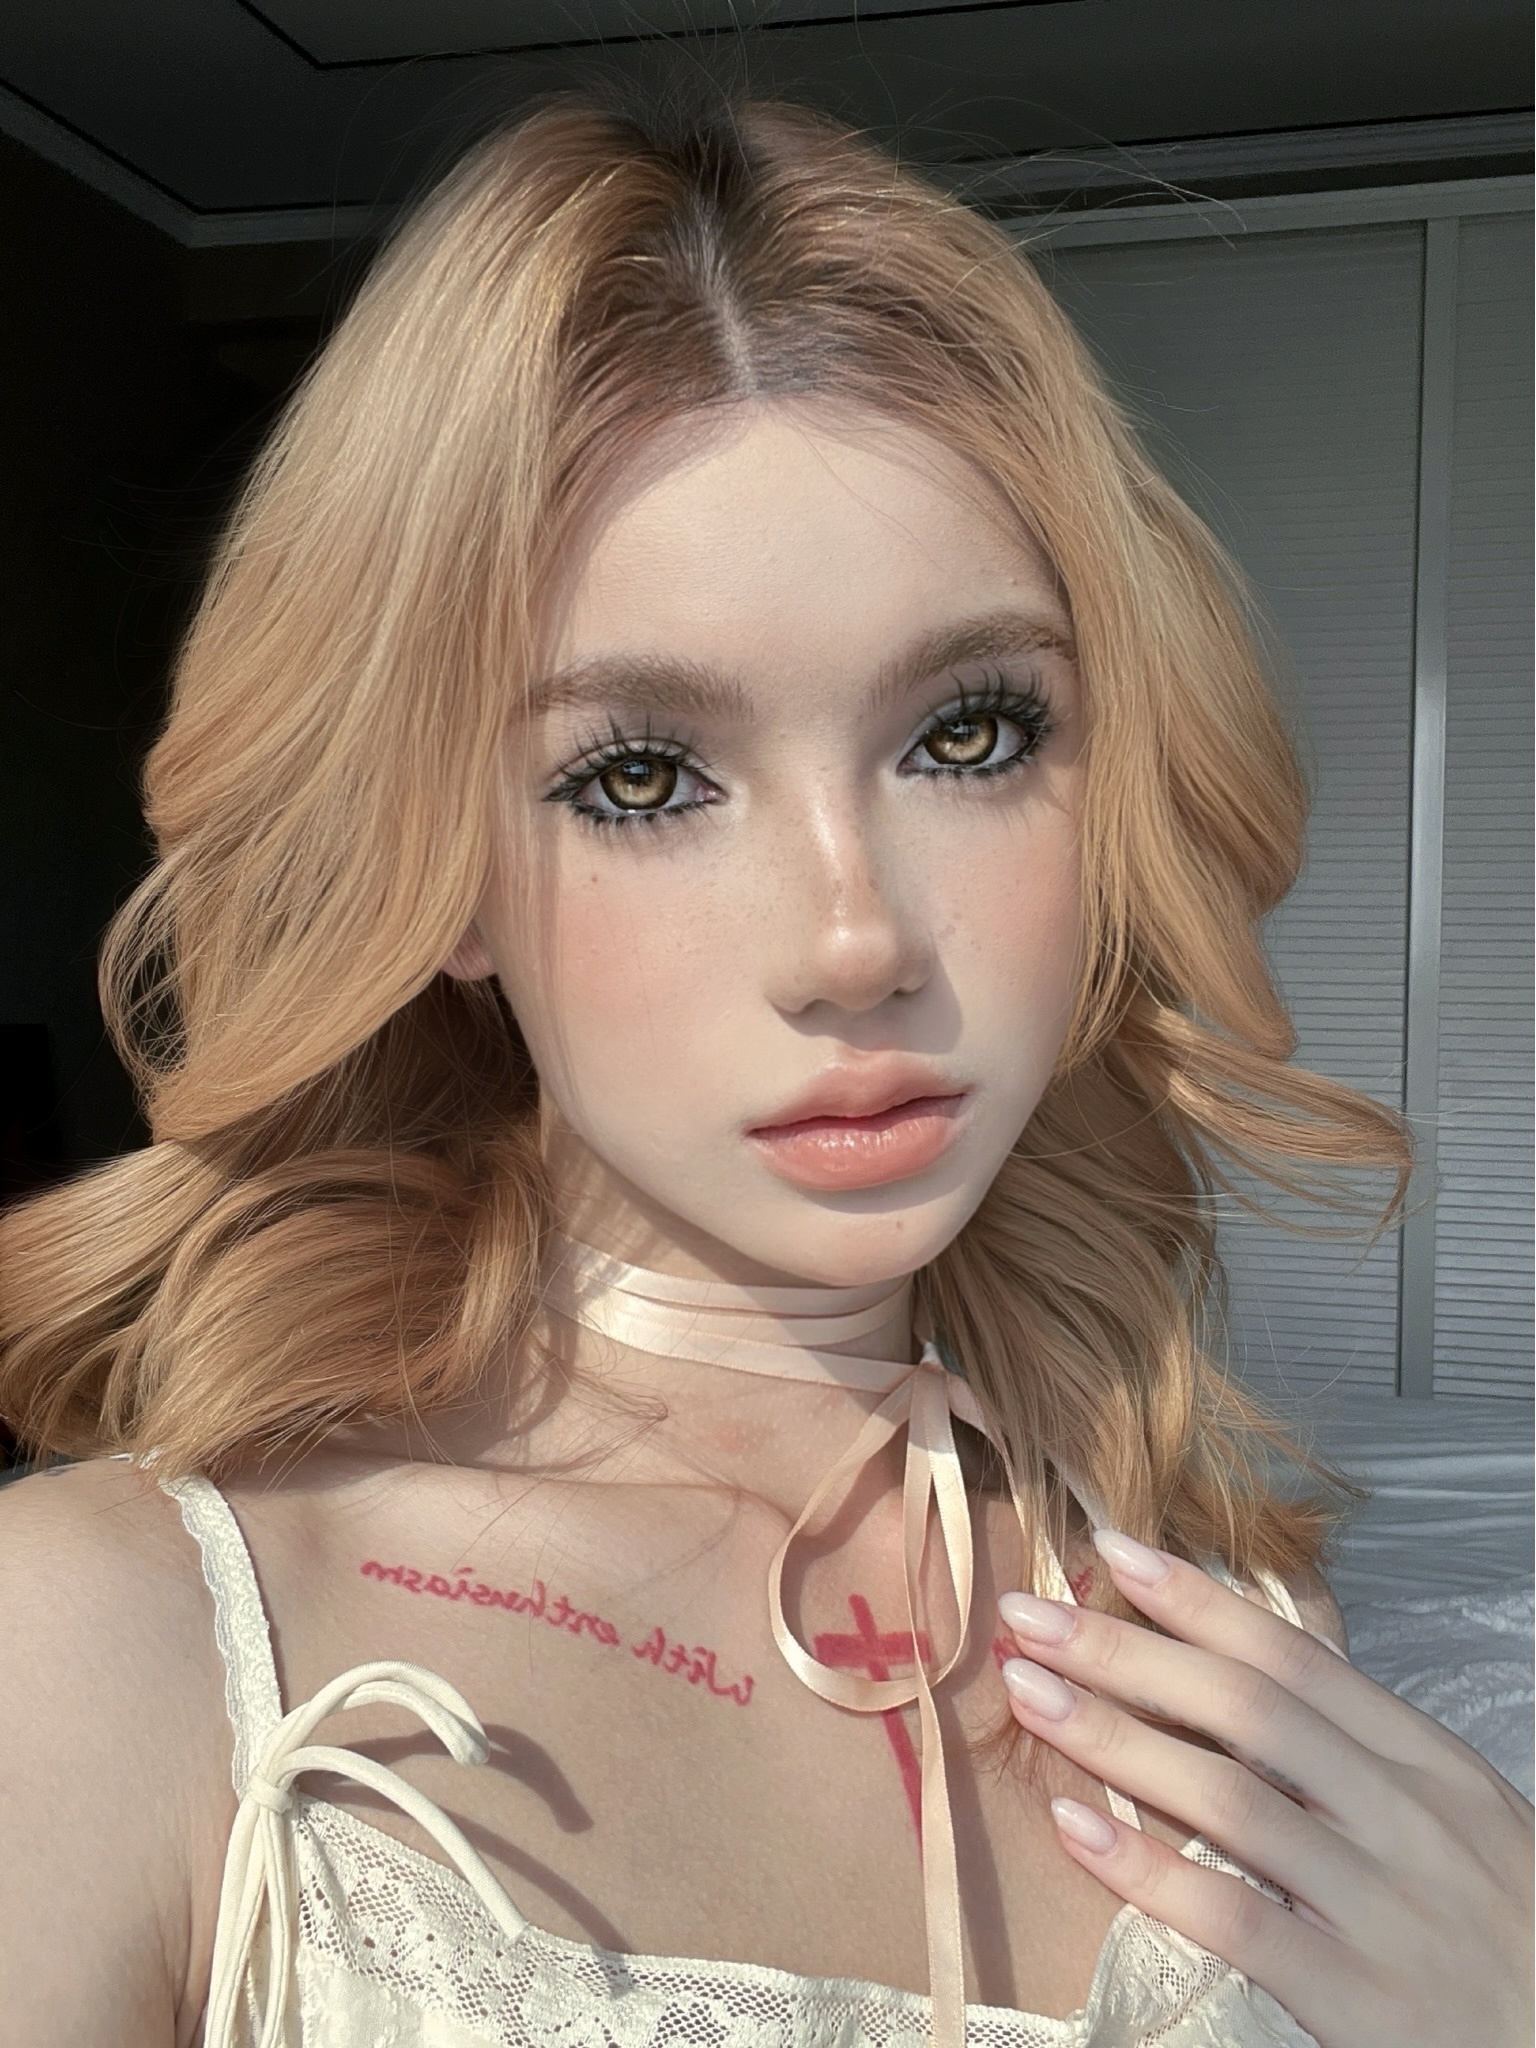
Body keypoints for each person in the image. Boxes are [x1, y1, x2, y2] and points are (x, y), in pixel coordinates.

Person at [0, 96, 1527, 2048]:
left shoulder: (1223, 1625)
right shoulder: (107, 1648)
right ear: (437, 870)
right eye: (641, 775)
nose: (855, 941)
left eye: (970, 735)